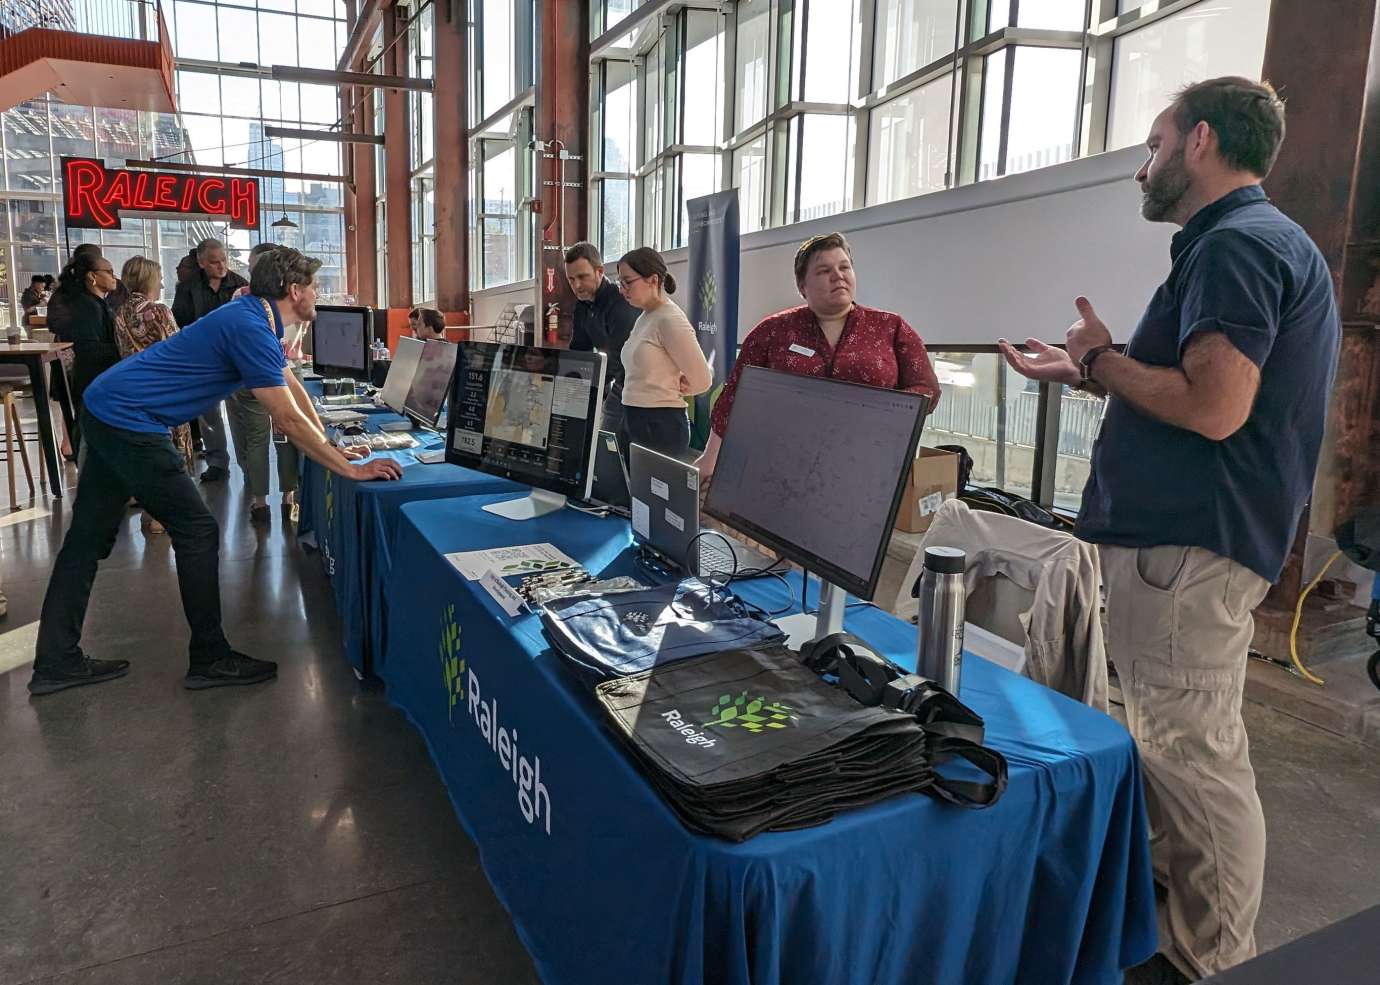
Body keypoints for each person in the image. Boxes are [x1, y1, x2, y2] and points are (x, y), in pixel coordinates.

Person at [999, 78, 1340, 983]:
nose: (1141, 168)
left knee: (1194, 756)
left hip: (1189, 551)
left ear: (1198, 142)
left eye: (1152, 145)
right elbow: (1192, 386)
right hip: (1179, 548)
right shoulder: (1241, 245)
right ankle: (1181, 932)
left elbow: (1217, 407)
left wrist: (1101, 360)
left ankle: (1214, 958)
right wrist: (1086, 370)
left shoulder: (1238, 245)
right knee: (1172, 745)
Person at [28, 247, 402, 697]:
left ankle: (55, 660)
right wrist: (350, 470)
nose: (318, 296)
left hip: (109, 408)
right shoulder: (248, 324)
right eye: (316, 287)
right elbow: (284, 418)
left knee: (86, 539)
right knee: (199, 530)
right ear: (295, 290)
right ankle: (209, 657)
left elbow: (291, 385)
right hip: (129, 420)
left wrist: (333, 441)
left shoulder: (253, 315)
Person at [696, 232, 942, 481]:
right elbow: (734, 396)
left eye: (844, 267)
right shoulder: (772, 331)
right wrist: (711, 457)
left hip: (867, 466)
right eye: (824, 271)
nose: (838, 276)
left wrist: (881, 410)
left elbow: (928, 390)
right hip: (781, 463)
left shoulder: (890, 327)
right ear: (802, 286)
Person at [113, 256, 193, 536]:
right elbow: (178, 349)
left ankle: (150, 511)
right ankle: (162, 515)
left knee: (147, 453)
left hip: (134, 390)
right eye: (158, 277)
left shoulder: (121, 311)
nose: (161, 282)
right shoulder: (159, 312)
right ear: (148, 279)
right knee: (170, 452)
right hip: (165, 390)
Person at [226, 243, 306, 524]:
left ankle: (259, 503)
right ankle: (290, 498)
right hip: (288, 371)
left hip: (249, 377)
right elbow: (297, 344)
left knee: (256, 439)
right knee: (288, 435)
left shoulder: (241, 295)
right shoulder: (297, 296)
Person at [614, 247, 713, 461]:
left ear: (653, 280)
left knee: (652, 493)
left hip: (660, 424)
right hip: (633, 417)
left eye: (627, 282)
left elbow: (703, 379)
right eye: (619, 283)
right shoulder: (645, 317)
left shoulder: (670, 319)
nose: (622, 290)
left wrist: (683, 385)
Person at [173, 238, 247, 484]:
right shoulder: (187, 288)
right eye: (214, 262)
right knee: (209, 415)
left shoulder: (241, 284)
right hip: (203, 361)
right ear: (201, 262)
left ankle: (247, 463)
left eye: (224, 260)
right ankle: (217, 463)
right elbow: (179, 322)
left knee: (238, 413)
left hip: (234, 359)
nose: (221, 266)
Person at [565, 241, 638, 435]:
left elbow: (617, 358)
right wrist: (568, 381)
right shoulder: (582, 306)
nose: (577, 285)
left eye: (582, 277)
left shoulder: (620, 303)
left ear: (599, 271)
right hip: (619, 382)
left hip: (638, 384)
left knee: (614, 443)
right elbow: (579, 350)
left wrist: (589, 385)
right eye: (571, 279)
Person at [51, 250, 120, 412]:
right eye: (109, 272)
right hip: (92, 383)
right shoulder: (87, 306)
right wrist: (124, 350)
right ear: (92, 276)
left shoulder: (93, 303)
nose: (114, 277)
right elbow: (87, 348)